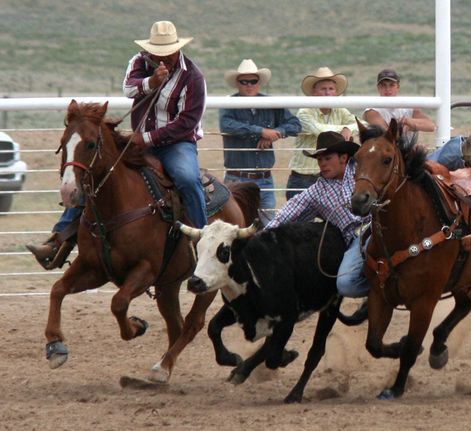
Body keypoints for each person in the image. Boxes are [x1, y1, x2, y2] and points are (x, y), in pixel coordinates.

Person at [27, 20, 208, 269]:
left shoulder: (192, 77)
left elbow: (187, 122)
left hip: (176, 144)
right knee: (96, 172)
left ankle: (202, 240)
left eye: (167, 51)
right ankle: (59, 240)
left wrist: (145, 138)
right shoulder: (139, 62)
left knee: (187, 178)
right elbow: (128, 89)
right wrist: (151, 83)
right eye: (158, 50)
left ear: (177, 49)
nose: (162, 55)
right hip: (139, 140)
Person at [265, 117, 471, 301]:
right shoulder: (317, 191)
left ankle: (461, 147)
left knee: (418, 166)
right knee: (346, 284)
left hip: (389, 220)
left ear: (344, 158)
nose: (322, 164)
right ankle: (384, 289)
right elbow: (290, 211)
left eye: (327, 158)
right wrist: (262, 236)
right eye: (319, 159)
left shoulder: (363, 165)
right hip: (358, 236)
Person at [220, 59, 301, 224]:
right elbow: (227, 125)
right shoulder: (228, 103)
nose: (249, 85)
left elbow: (295, 125)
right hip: (237, 178)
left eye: (253, 81)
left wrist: (276, 133)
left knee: (268, 224)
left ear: (259, 83)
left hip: (264, 178)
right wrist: (261, 131)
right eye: (244, 81)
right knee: (235, 225)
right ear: (238, 83)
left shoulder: (270, 102)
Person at [365, 68, 471, 169]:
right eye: (383, 86)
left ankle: (466, 153)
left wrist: (409, 122)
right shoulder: (372, 110)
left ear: (398, 87)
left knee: (435, 159)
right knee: (434, 160)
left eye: (391, 85)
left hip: (405, 157)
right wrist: (408, 128)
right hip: (387, 160)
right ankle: (465, 151)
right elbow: (389, 135)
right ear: (378, 88)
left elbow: (430, 125)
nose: (388, 90)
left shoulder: (407, 107)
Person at [285, 67, 358, 200]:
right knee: (298, 219)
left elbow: (361, 123)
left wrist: (348, 128)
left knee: (333, 219)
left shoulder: (339, 110)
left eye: (331, 89)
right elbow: (319, 130)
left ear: (336, 93)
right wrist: (345, 128)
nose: (327, 93)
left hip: (329, 178)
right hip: (303, 178)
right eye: (323, 89)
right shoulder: (304, 112)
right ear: (314, 92)